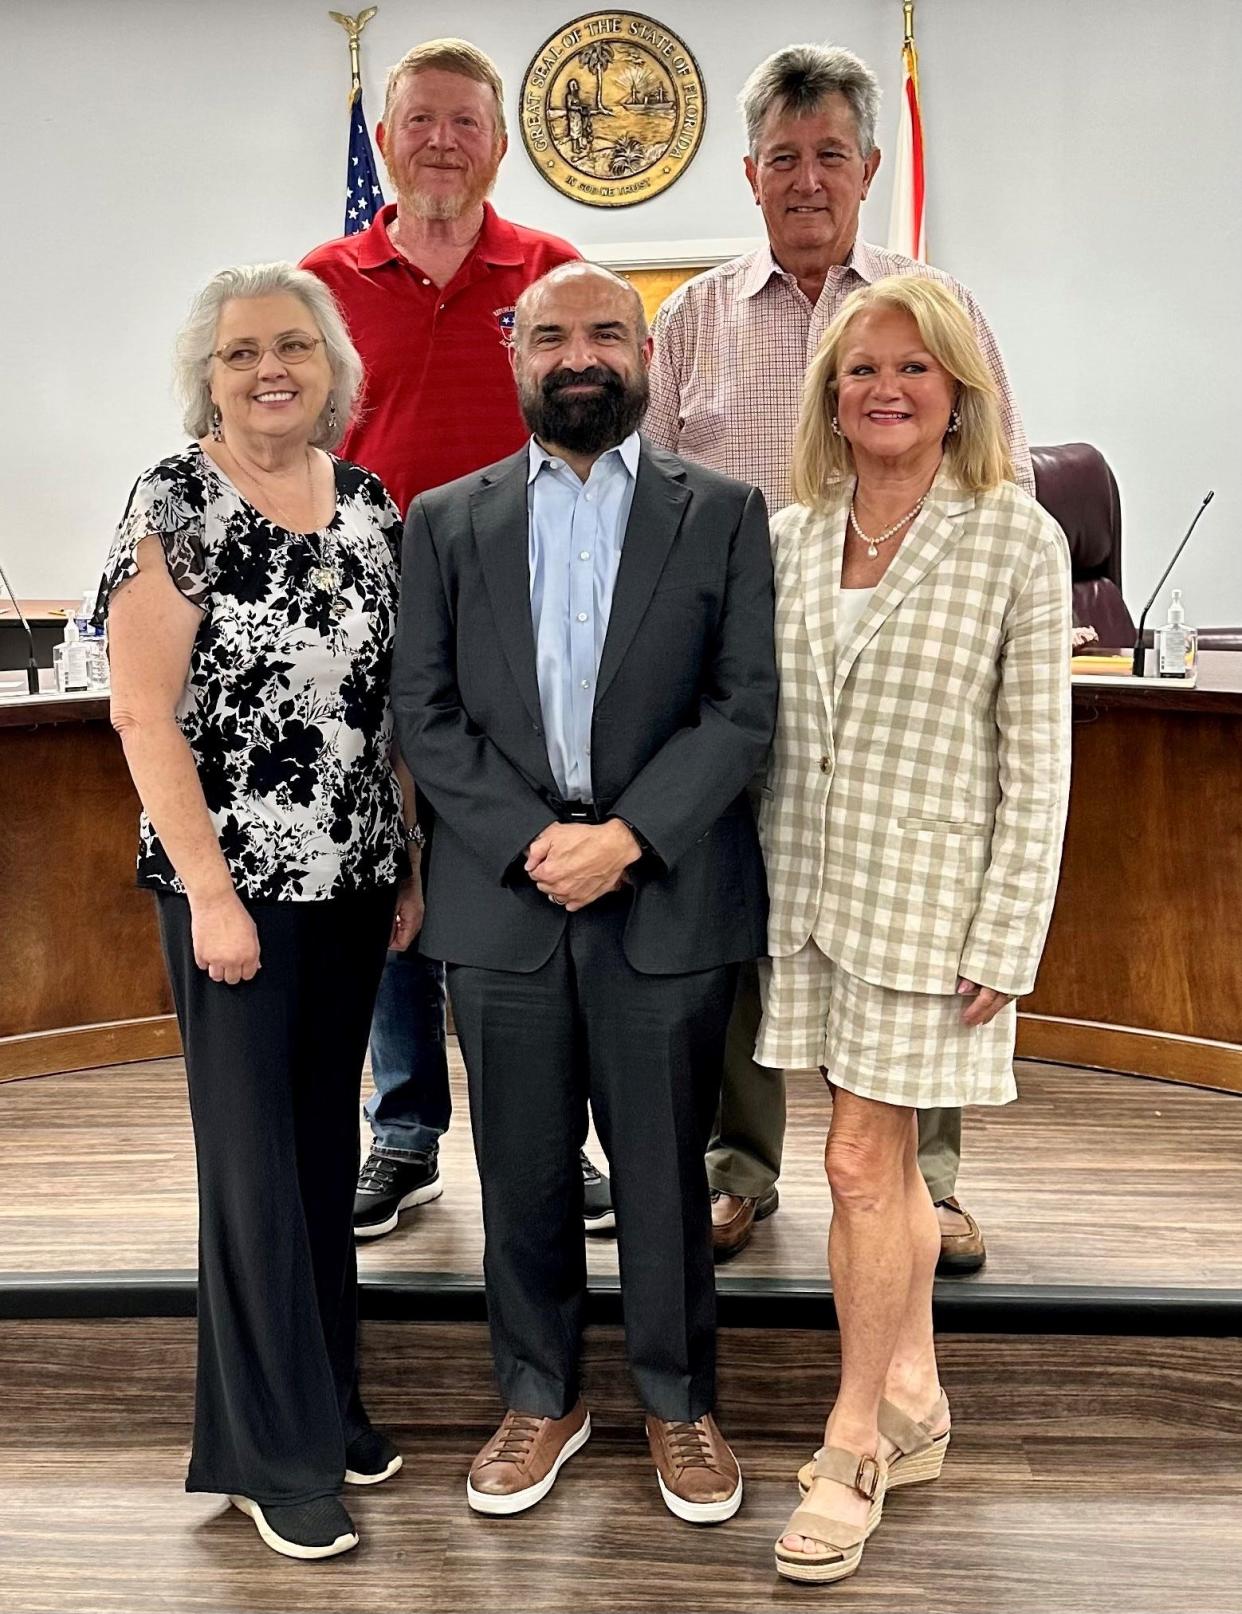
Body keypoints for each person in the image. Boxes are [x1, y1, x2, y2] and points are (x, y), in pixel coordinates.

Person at [391, 262, 776, 1521]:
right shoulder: (444, 520)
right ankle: (540, 1397)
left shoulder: (721, 511)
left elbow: (741, 710)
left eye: (606, 332)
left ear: (646, 352)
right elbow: (427, 716)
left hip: (661, 894)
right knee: (521, 1168)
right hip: (505, 900)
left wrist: (628, 838)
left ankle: (679, 1405)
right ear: (515, 355)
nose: (579, 354)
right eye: (551, 333)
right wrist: (527, 841)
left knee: (665, 1175)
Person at [646, 42, 1035, 1269]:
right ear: (748, 176)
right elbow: (649, 502)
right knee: (753, 928)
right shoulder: (695, 317)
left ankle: (931, 1182)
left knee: (914, 920)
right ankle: (738, 1169)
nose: (807, 179)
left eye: (829, 157)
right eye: (782, 159)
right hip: (735, 678)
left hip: (906, 644)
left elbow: (1005, 475)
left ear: (869, 167)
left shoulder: (934, 304)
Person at [96, 262, 420, 1561]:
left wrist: (404, 861)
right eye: (241, 353)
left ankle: (324, 1401)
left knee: (317, 1159)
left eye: (293, 344)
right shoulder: (174, 499)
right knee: (250, 1170)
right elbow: (140, 709)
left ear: (331, 365)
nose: (269, 366)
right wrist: (217, 898)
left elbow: (382, 711)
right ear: (209, 375)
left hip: (349, 883)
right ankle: (267, 1454)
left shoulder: (370, 506)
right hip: (229, 893)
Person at [757, 275, 1070, 1582]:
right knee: (867, 1171)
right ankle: (918, 1396)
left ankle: (851, 1440)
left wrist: (1008, 932)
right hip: (804, 899)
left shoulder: (1013, 536)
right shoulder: (788, 532)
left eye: (912, 369)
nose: (883, 389)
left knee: (853, 1166)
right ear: (829, 395)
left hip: (931, 910)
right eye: (858, 369)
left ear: (957, 392)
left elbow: (1035, 758)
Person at [301, 39, 611, 1240]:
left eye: (464, 122)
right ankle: (408, 1131)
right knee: (388, 870)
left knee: (533, 866)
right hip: (363, 617)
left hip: (527, 619)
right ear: (385, 141)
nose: (440, 140)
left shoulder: (552, 277)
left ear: (497, 141)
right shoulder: (322, 281)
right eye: (418, 120)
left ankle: (555, 1134)